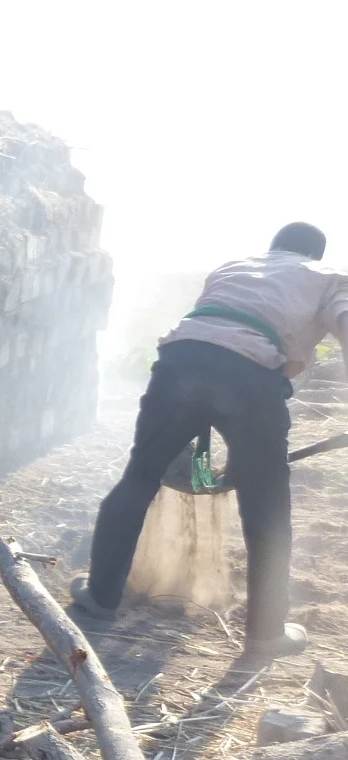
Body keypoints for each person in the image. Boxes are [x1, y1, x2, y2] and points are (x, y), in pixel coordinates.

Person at [73, 221, 348, 659]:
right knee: (267, 507)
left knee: (139, 477)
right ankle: (266, 633)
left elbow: (212, 339)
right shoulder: (328, 276)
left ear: (273, 248)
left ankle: (101, 598)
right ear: (315, 254)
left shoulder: (234, 267)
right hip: (252, 376)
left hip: (180, 361)